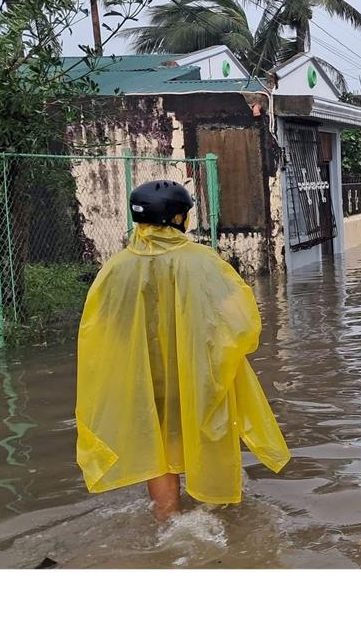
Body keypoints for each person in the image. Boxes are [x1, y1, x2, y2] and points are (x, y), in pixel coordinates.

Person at [76, 180, 290, 521]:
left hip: (144, 379)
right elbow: (241, 322)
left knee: (157, 447)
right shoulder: (203, 262)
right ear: (179, 218)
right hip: (198, 374)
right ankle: (215, 512)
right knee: (208, 434)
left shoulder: (115, 268)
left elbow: (100, 328)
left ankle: (168, 518)